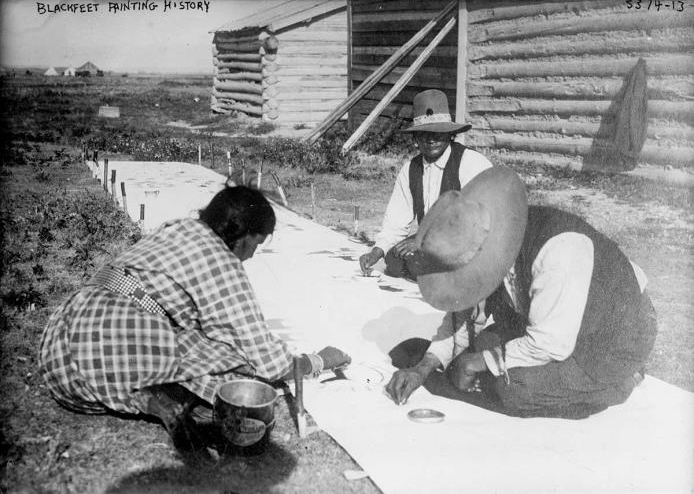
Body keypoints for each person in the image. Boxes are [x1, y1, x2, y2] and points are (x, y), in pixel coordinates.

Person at [39, 185, 350, 449]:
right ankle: (166, 398)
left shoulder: (180, 228)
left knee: (197, 335)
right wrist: (320, 360)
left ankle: (151, 397)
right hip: (117, 336)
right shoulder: (220, 264)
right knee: (237, 361)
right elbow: (267, 360)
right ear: (243, 236)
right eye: (258, 243)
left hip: (64, 350)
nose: (254, 254)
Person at [385, 167, 657, 419]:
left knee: (516, 389)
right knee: (480, 348)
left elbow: (551, 343)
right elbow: (464, 317)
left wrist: (477, 363)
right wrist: (423, 368)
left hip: (611, 336)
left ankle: (619, 382)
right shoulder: (482, 240)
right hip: (557, 320)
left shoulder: (558, 251)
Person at [359, 89, 492, 279]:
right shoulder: (411, 169)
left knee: (429, 265)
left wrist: (427, 242)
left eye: (438, 133)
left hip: (468, 244)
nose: (431, 139)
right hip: (431, 247)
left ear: (450, 134)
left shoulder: (471, 163)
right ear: (415, 138)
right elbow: (396, 222)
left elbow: (482, 221)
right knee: (394, 260)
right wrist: (376, 252)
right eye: (423, 134)